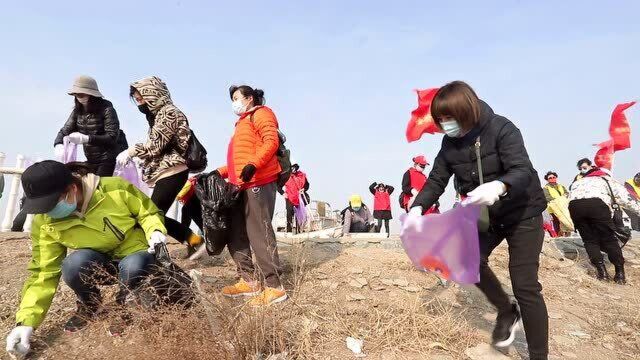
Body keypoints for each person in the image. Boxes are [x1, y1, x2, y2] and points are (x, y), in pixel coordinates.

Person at [408, 81, 549, 359]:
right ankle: (507, 312)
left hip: (524, 211)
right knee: (467, 260)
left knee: (525, 285)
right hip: (488, 213)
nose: (445, 124)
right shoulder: (450, 143)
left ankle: (539, 355)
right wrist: (417, 207)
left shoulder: (502, 128)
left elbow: (521, 169)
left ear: (466, 110)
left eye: (449, 118)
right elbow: (437, 178)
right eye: (441, 120)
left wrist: (500, 186)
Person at [4, 161, 166, 358]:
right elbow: (43, 272)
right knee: (73, 265)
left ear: (72, 189)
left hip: (133, 252)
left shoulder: (113, 188)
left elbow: (147, 212)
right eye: (42, 207)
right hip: (97, 262)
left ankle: (122, 308)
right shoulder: (46, 221)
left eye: (51, 205)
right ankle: (90, 304)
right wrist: (26, 323)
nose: (48, 212)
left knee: (134, 266)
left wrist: (155, 230)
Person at [215, 85, 287, 306]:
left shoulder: (261, 113)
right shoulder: (242, 123)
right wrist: (217, 173)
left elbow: (271, 142)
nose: (234, 103)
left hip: (259, 180)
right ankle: (249, 279)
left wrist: (254, 165)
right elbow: (236, 164)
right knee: (236, 231)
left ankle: (274, 286)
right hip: (242, 184)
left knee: (258, 231)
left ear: (250, 98)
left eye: (237, 98)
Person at [117, 76, 203, 254]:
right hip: (168, 171)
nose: (140, 104)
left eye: (142, 99)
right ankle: (194, 240)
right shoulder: (157, 115)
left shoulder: (169, 113)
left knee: (151, 214)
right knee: (155, 214)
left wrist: (132, 151)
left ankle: (189, 243)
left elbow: (156, 146)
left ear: (153, 94)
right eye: (137, 101)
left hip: (173, 171)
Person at [569, 167, 640, 284]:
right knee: (609, 240)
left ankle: (602, 274)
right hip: (596, 205)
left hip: (575, 207)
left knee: (590, 241)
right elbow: (627, 199)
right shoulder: (605, 180)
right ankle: (620, 274)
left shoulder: (578, 182)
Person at [54, 76, 128, 176]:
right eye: (76, 95)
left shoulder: (107, 109)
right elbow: (65, 131)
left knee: (98, 187)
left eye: (81, 94)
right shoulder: (77, 112)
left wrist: (87, 139)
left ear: (92, 94)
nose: (79, 97)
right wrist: (58, 144)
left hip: (110, 157)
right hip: (91, 159)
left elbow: (112, 136)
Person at [283, 163, 310, 233]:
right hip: (289, 197)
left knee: (300, 213)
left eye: (293, 167)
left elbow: (307, 185)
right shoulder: (286, 176)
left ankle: (300, 229)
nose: (292, 169)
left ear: (296, 168)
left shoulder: (301, 175)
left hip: (299, 197)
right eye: (291, 167)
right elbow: (278, 186)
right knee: (289, 212)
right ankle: (289, 230)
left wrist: (303, 189)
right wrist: (283, 193)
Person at [542, 171, 570, 237]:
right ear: (547, 179)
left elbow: (566, 193)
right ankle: (558, 235)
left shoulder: (561, 186)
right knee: (556, 221)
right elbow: (547, 197)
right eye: (550, 178)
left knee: (565, 220)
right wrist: (559, 200)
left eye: (553, 177)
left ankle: (567, 234)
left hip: (563, 206)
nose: (552, 179)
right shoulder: (545, 188)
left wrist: (564, 198)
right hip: (553, 207)